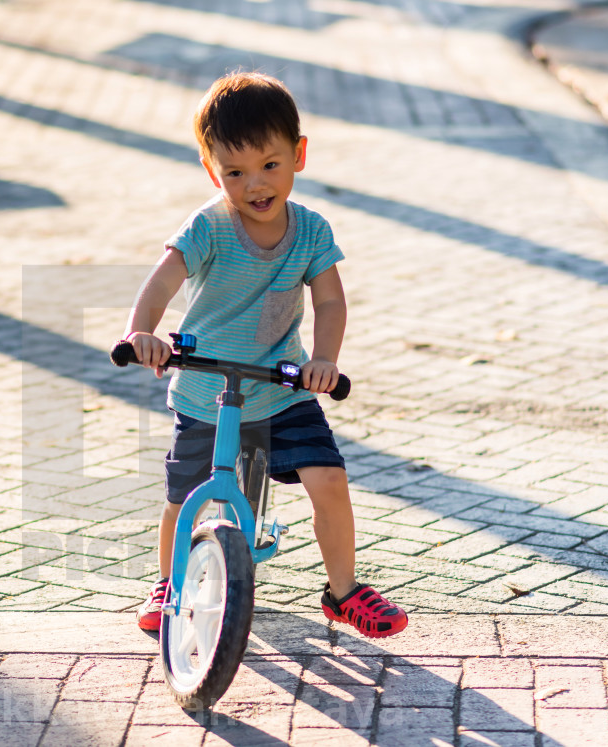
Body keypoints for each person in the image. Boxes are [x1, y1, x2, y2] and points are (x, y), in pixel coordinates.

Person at [121, 71, 408, 639]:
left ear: (298, 155)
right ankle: (172, 584)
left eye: (270, 165)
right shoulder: (208, 226)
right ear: (212, 171)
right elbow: (159, 284)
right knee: (184, 498)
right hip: (207, 390)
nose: (255, 184)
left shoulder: (311, 231)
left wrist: (322, 360)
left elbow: (329, 302)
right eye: (235, 172)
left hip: (280, 388)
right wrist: (141, 333)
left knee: (328, 477)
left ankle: (344, 591)